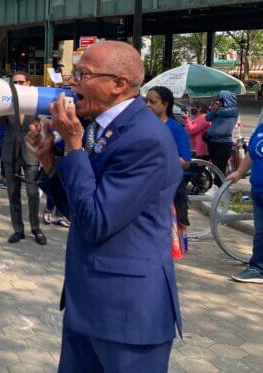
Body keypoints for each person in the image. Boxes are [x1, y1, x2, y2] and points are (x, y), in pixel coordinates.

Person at [26, 41, 182, 372]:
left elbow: (97, 221)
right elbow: (80, 213)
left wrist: (73, 145)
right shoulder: (99, 127)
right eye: (74, 73)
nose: (73, 82)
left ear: (119, 84)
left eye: (82, 74)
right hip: (87, 305)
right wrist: (50, 161)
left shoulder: (145, 138)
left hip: (128, 314)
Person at [0, 72, 46, 245]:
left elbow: (44, 124)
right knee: (12, 193)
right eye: (15, 82)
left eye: (21, 82)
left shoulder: (37, 101)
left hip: (30, 152)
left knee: (33, 193)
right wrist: (0, 106)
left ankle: (36, 228)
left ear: (28, 83)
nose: (18, 84)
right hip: (10, 152)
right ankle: (18, 230)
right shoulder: (7, 101)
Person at [146, 86, 192, 257]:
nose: (148, 105)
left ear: (165, 104)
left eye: (153, 102)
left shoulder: (175, 128)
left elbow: (185, 161)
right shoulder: (144, 126)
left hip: (168, 192)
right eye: (146, 101)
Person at [227, 119, 263, 283]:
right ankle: (258, 268)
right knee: (260, 232)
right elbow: (251, 154)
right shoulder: (261, 128)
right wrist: (239, 172)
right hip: (258, 190)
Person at [206, 90, 239, 185]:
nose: (219, 101)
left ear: (227, 99)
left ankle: (220, 190)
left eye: (221, 99)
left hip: (223, 143)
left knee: (220, 168)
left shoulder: (233, 110)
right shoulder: (218, 109)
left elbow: (222, 113)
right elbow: (207, 118)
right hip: (212, 141)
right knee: (215, 167)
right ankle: (217, 187)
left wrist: (216, 108)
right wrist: (214, 109)